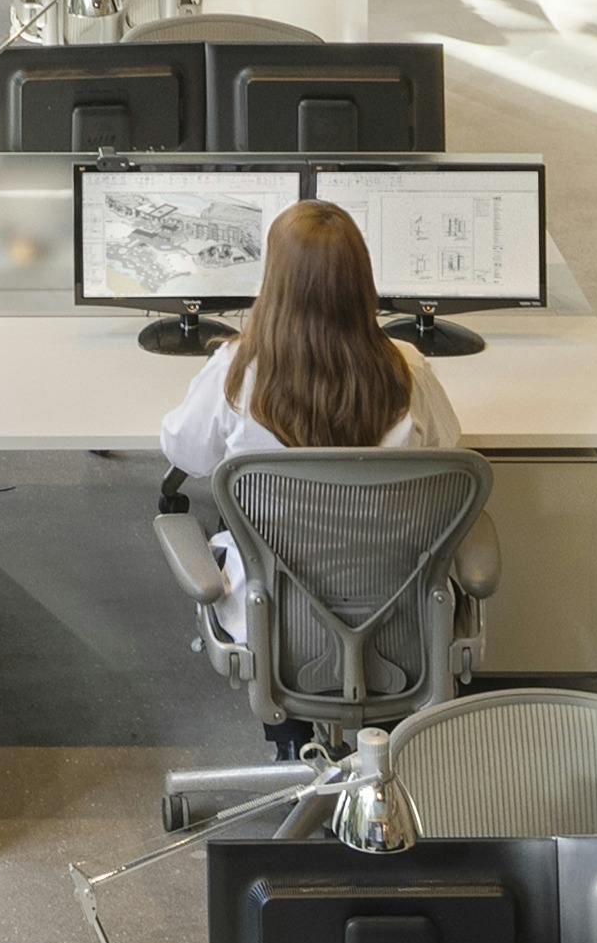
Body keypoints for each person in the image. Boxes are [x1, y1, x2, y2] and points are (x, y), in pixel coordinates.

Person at [149, 196, 486, 626]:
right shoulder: (407, 369)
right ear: (363, 281)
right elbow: (447, 453)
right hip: (399, 613)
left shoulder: (236, 372)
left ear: (273, 283)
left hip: (272, 618)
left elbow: (184, 453)